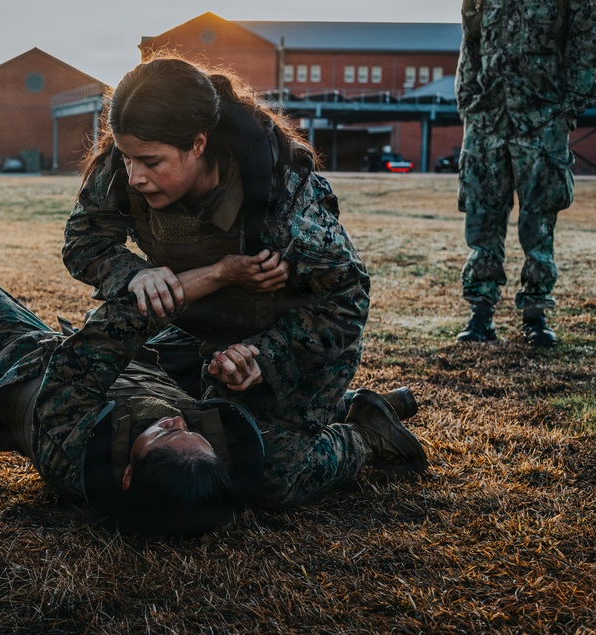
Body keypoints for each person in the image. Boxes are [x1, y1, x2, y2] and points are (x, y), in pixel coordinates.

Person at [0, 252, 426, 538]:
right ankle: (361, 423)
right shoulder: (194, 457)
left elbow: (111, 330)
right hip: (157, 366)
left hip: (29, 363)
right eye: (196, 437)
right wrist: (235, 369)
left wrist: (217, 273)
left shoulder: (69, 435)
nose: (185, 426)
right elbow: (224, 416)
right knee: (281, 473)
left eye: (169, 433)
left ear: (128, 474)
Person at [63, 55, 371, 438]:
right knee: (103, 398)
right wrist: (135, 274)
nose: (135, 176)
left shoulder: (279, 192)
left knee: (258, 463)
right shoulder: (122, 167)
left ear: (197, 144)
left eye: (151, 162)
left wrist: (268, 358)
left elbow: (347, 298)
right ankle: (329, 407)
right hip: (196, 333)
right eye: (126, 158)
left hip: (289, 341)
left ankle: (368, 432)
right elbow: (82, 240)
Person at [454, 0, 596, 346]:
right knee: (481, 220)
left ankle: (536, 314)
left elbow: (586, 52)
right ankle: (481, 314)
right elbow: (469, 45)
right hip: (486, 122)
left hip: (541, 121)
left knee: (538, 227)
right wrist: (468, 103)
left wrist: (566, 112)